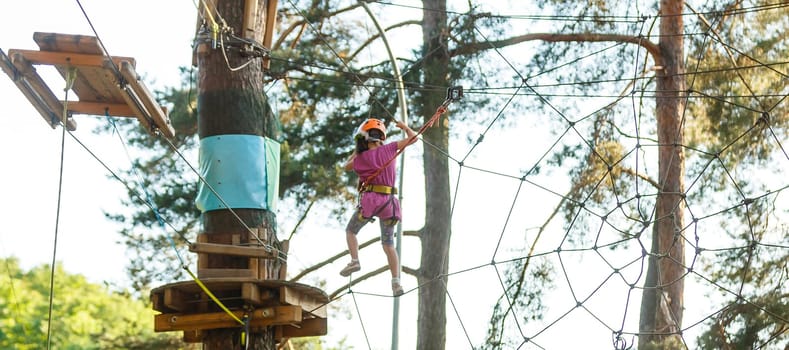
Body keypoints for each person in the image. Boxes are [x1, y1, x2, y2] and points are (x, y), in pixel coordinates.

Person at [339, 117, 421, 296]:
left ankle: (355, 260)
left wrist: (357, 149)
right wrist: (405, 127)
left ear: (364, 138)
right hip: (389, 204)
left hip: (370, 202)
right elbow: (414, 138)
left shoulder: (361, 159)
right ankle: (396, 283)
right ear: (381, 137)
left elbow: (346, 167)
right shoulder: (390, 148)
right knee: (388, 244)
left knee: (351, 231)